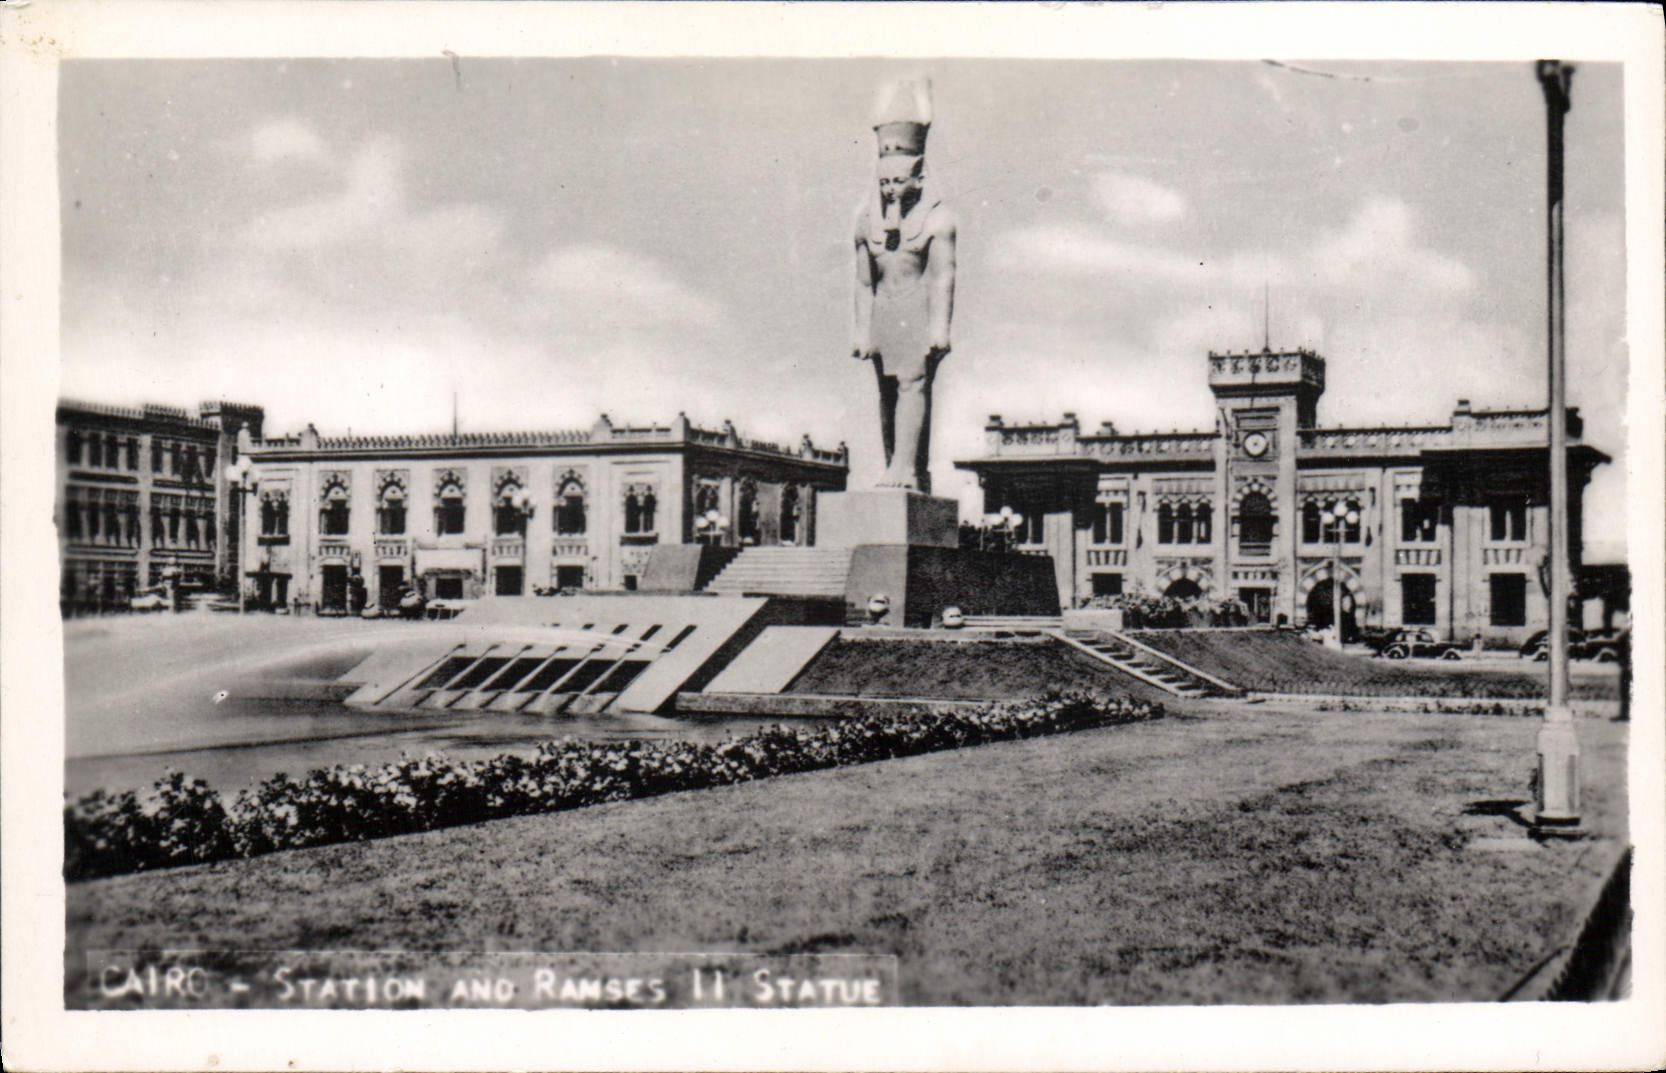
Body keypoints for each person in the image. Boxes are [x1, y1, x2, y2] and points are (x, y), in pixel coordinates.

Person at [851, 78, 957, 492]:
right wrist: (862, 330)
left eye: (898, 182)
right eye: (884, 183)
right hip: (884, 309)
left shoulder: (938, 219)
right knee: (888, 389)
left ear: (917, 179)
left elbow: (943, 275)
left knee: (913, 384)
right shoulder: (865, 221)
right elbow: (863, 282)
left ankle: (907, 469)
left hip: (917, 307)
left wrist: (939, 327)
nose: (891, 190)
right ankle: (897, 465)